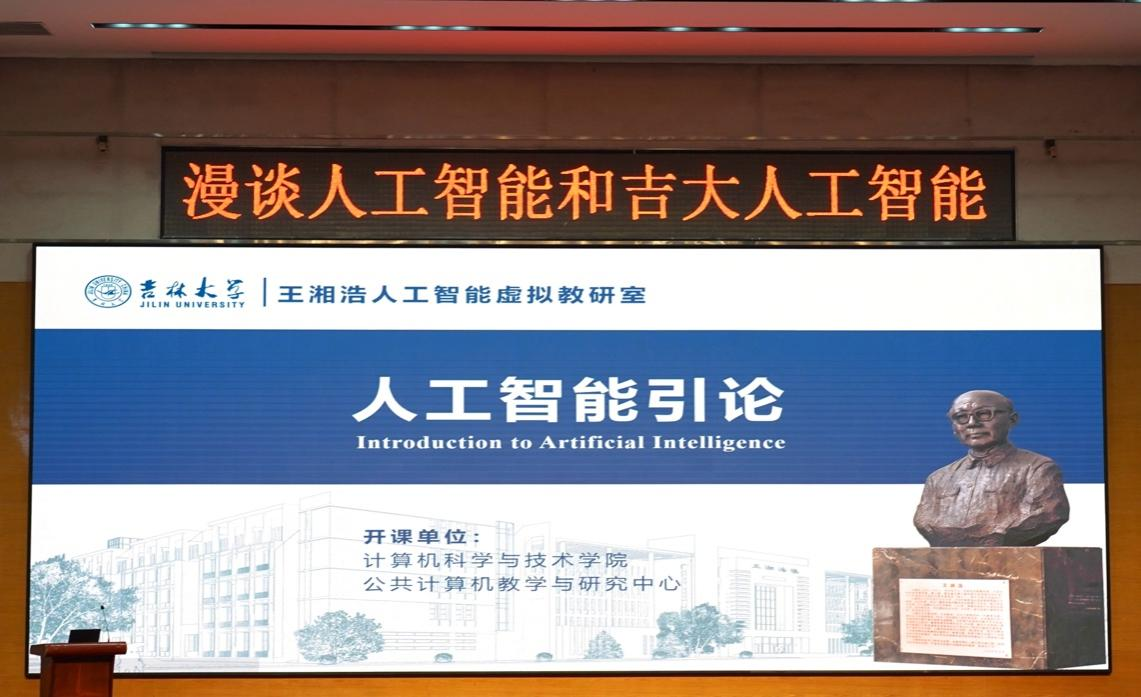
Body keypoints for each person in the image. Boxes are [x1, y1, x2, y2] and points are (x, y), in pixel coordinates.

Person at [913, 390, 1069, 547]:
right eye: (961, 417)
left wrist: (993, 535)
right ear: (954, 427)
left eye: (984, 414)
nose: (972, 423)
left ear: (1012, 419)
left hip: (1010, 559)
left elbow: (1048, 514)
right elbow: (925, 522)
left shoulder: (1038, 469)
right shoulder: (938, 478)